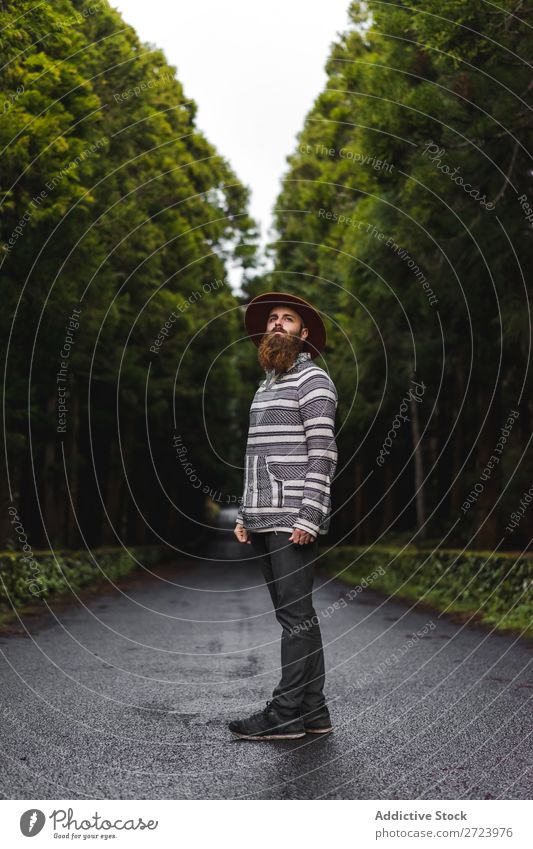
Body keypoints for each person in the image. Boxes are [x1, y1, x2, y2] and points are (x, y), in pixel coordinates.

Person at [229, 291, 338, 741]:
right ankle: (314, 713)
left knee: (296, 620)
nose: (277, 324)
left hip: (293, 518)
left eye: (287, 319)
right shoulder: (267, 384)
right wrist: (246, 513)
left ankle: (286, 713)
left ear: (304, 332)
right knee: (298, 619)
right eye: (272, 318)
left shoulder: (313, 380)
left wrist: (310, 514)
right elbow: (259, 454)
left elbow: (323, 452)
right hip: (264, 517)